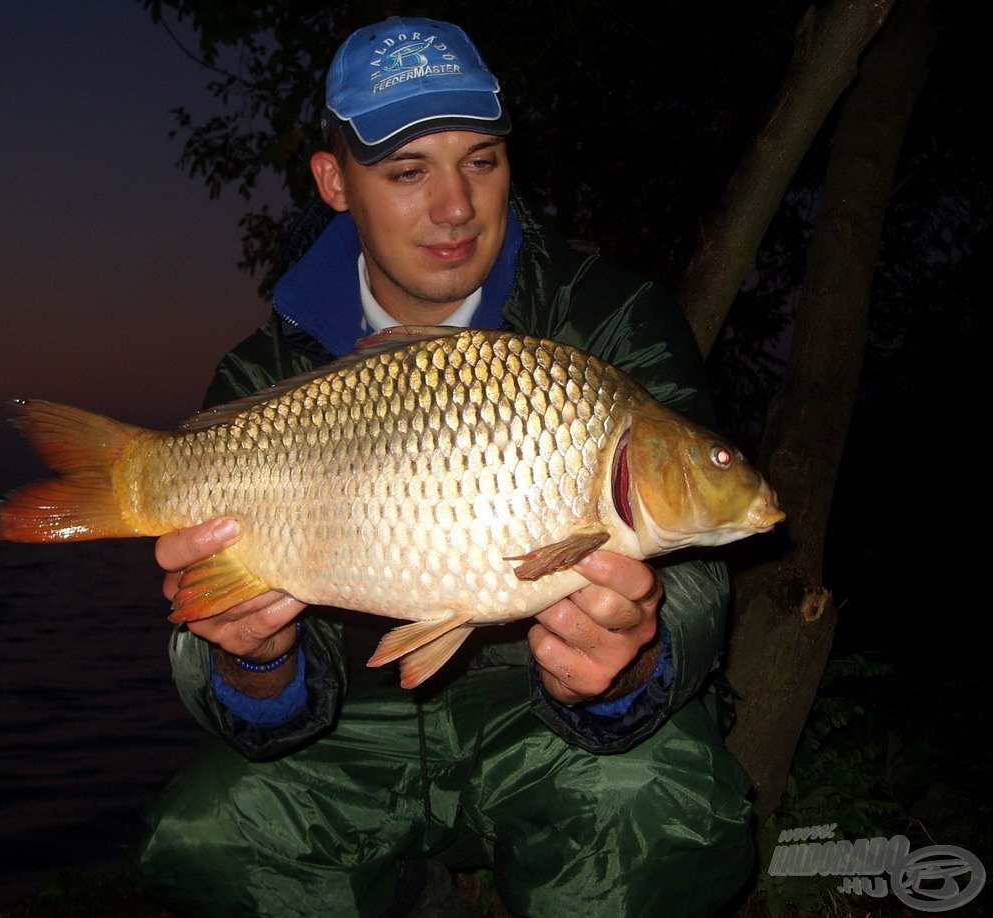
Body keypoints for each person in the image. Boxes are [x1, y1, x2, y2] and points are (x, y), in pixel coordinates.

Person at [134, 16, 753, 917]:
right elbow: (218, 659)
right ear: (334, 181)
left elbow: (694, 561)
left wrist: (636, 663)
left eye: (482, 160)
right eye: (408, 171)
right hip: (350, 724)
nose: (456, 206)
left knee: (669, 817)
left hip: (538, 717)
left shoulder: (607, 321)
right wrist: (258, 664)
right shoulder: (264, 373)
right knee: (205, 837)